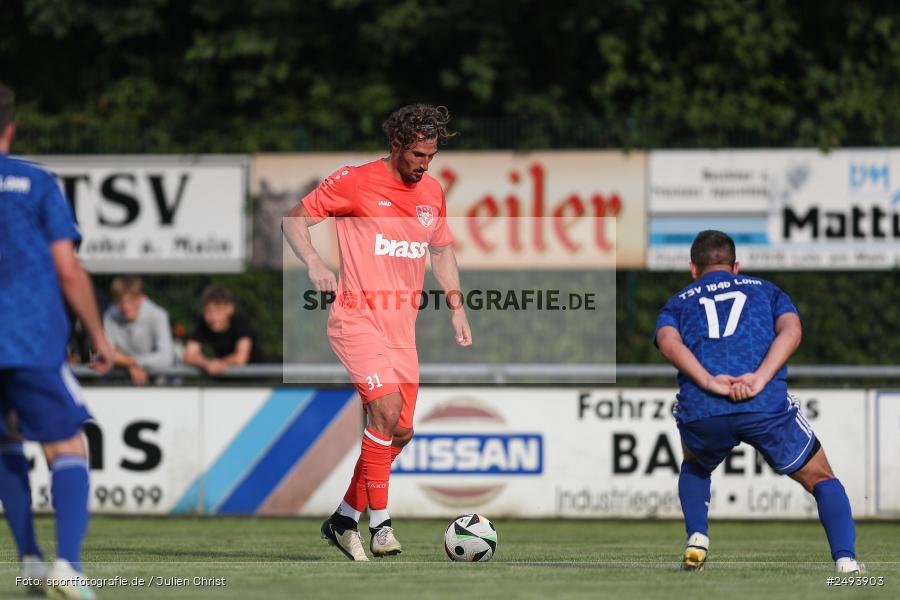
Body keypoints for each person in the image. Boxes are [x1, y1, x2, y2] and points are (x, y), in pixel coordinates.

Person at [283, 104, 472, 561]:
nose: (425, 164)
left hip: (401, 332)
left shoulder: (432, 193)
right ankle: (381, 525)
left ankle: (345, 517)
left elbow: (442, 251)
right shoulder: (356, 180)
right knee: (384, 411)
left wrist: (456, 305)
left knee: (400, 432)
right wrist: (313, 261)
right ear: (396, 147)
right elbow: (294, 219)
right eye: (418, 155)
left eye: (431, 155)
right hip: (356, 317)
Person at [655, 230, 859, 573]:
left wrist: (708, 381)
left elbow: (667, 340)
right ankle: (846, 563)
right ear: (736, 266)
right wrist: (760, 377)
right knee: (822, 478)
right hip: (763, 403)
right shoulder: (768, 291)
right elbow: (792, 331)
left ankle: (697, 538)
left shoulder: (677, 302)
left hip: (704, 408)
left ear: (693, 268)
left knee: (695, 465)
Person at [0, 82, 114, 599]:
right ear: (11, 127)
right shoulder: (35, 183)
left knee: (4, 445)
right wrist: (96, 335)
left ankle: (28, 559)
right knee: (66, 446)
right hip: (28, 339)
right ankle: (67, 564)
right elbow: (69, 270)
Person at [103, 276, 175, 385]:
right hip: (122, 381)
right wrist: (130, 366)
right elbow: (107, 353)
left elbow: (166, 358)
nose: (125, 307)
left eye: (130, 301)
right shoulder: (109, 316)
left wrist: (132, 363)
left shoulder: (158, 315)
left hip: (161, 383)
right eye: (120, 302)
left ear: (141, 298)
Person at [183, 285, 262, 375]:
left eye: (218, 310)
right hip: (228, 383)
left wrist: (219, 364)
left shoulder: (241, 323)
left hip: (257, 382)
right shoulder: (203, 324)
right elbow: (188, 356)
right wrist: (207, 364)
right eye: (208, 311)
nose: (213, 317)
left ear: (230, 309)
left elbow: (241, 358)